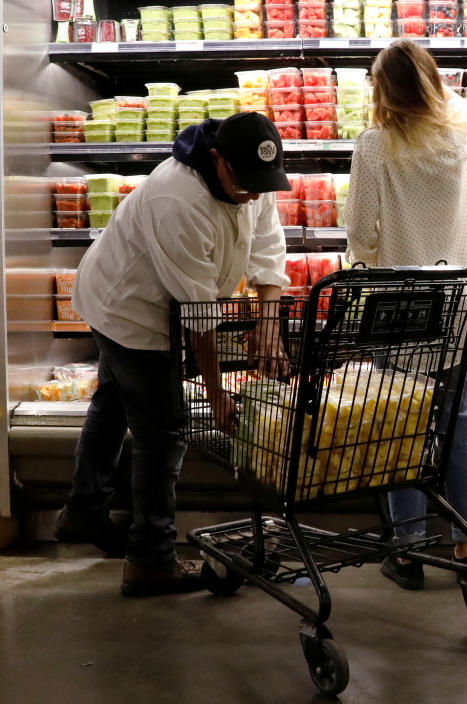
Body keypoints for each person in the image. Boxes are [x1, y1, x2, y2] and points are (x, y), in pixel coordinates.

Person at [55, 112, 292, 596]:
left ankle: (83, 512)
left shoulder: (253, 174)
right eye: (242, 182)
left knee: (114, 403)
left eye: (260, 184)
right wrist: (217, 393)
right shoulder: (177, 199)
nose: (251, 193)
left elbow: (268, 247)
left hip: (152, 303)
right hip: (129, 310)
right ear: (215, 159)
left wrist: (270, 323)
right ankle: (151, 558)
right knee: (164, 429)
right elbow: (200, 318)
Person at [344, 39, 467, 590]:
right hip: (456, 312)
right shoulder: (462, 127)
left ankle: (406, 551)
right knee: (463, 430)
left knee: (399, 430)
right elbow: (456, 103)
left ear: (381, 90)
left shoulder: (374, 147)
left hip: (399, 312)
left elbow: (362, 235)